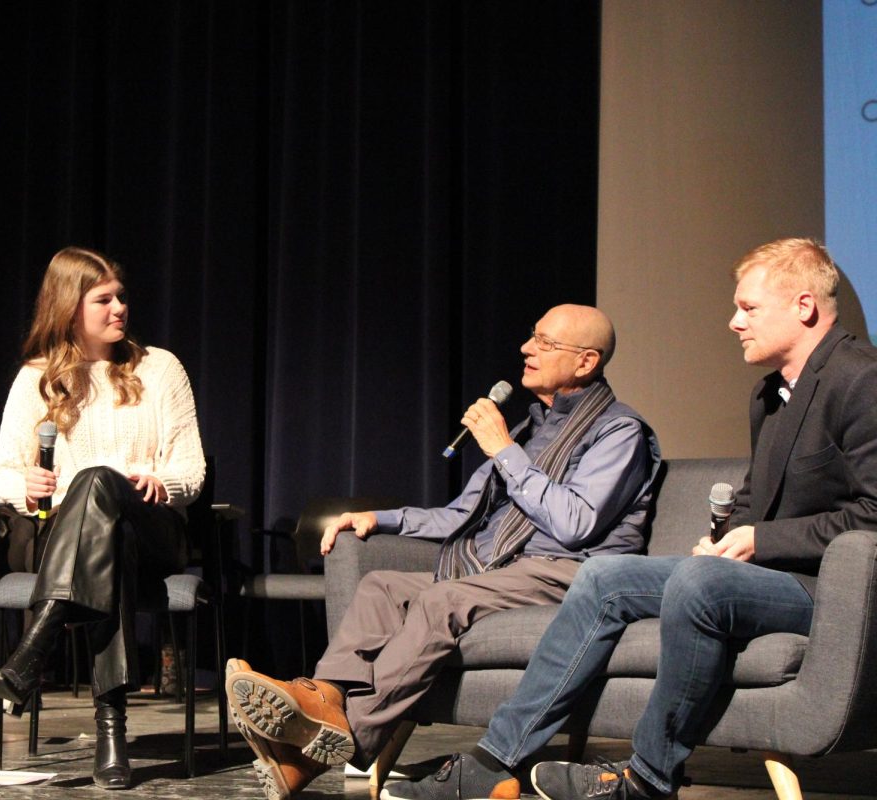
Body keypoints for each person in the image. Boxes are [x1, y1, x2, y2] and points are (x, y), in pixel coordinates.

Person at [382, 238, 877, 800]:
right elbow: (754, 497)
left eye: (749, 308)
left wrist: (759, 539)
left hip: (832, 591)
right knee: (605, 575)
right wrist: (723, 536)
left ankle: (646, 778)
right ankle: (497, 763)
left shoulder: (862, 380)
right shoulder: (769, 396)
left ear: (804, 306)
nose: (734, 322)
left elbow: (875, 516)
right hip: (767, 575)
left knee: (700, 583)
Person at [226, 304, 662, 800]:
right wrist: (380, 519)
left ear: (586, 362)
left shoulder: (619, 431)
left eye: (544, 343)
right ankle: (323, 701)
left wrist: (504, 451)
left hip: (571, 573)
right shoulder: (531, 429)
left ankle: (342, 736)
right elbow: (461, 515)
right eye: (531, 337)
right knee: (381, 587)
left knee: (441, 599)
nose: (526, 349)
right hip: (504, 568)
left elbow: (576, 523)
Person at [0, 246, 205, 790]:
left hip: (153, 522)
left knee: (98, 481)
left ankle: (37, 642)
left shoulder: (161, 367)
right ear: (68, 307)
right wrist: (25, 485)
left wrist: (164, 481)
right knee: (108, 542)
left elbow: (192, 469)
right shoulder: (36, 378)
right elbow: (0, 477)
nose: (119, 309)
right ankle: (112, 733)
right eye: (103, 300)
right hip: (82, 538)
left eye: (121, 297)